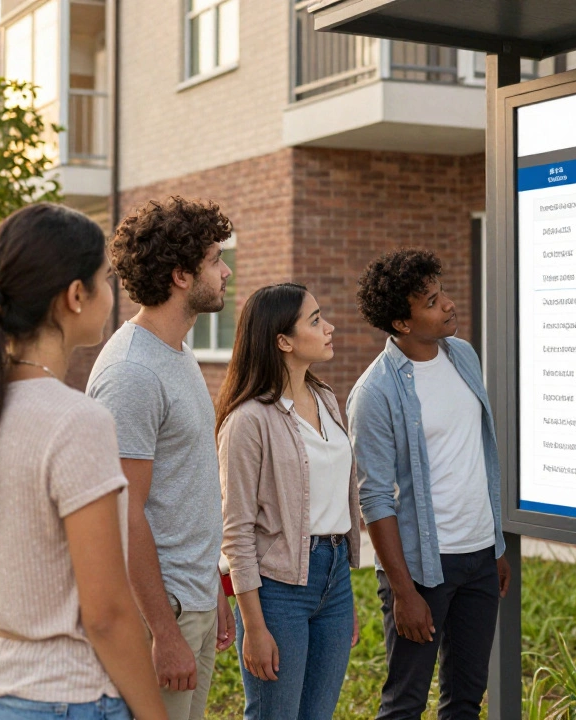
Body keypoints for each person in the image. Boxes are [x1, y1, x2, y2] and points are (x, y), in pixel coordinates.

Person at [0, 203, 166, 720]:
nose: (114, 296)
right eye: (106, 281)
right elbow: (106, 612)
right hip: (67, 699)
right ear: (75, 295)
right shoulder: (76, 421)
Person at [87, 196, 235, 720]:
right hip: (159, 614)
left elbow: (182, 487)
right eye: (216, 259)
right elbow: (122, 516)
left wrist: (209, 586)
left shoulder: (176, 352)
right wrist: (167, 629)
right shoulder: (132, 373)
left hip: (187, 598)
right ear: (180, 275)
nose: (226, 271)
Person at [347, 248, 511, 720]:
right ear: (401, 322)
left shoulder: (462, 356)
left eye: (442, 294)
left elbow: (475, 455)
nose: (448, 305)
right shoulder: (375, 393)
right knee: (405, 703)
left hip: (479, 558)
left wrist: (494, 545)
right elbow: (374, 498)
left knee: (465, 700)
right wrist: (404, 593)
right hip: (423, 569)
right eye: (433, 302)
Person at [216, 283, 362, 720]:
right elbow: (236, 530)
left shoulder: (326, 399)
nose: (329, 327)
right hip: (277, 590)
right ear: (283, 341)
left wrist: (343, 595)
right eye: (315, 321)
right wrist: (254, 627)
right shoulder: (248, 421)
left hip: (334, 578)